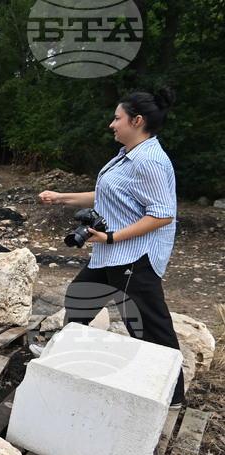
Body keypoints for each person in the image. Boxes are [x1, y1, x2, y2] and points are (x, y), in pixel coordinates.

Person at [39, 86, 186, 407]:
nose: (112, 124)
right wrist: (60, 196)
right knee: (79, 300)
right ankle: (64, 357)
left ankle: (173, 398)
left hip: (134, 257)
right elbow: (107, 195)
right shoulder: (126, 156)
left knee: (149, 326)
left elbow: (163, 214)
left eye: (116, 118)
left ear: (137, 121)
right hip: (110, 254)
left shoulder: (150, 162)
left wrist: (111, 237)